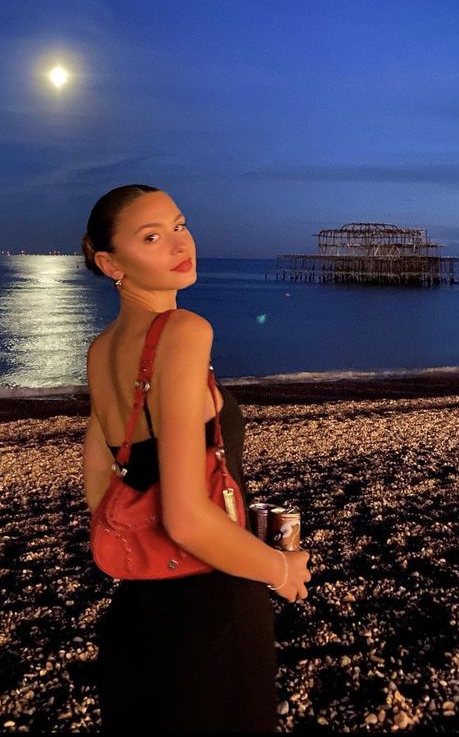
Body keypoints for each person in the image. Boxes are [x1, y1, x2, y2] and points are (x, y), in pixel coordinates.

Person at [80, 184, 312, 733]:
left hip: (137, 616)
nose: (180, 243)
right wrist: (280, 570)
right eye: (152, 236)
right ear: (110, 262)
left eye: (179, 224)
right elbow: (184, 518)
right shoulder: (184, 332)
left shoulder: (101, 349)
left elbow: (102, 484)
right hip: (209, 617)